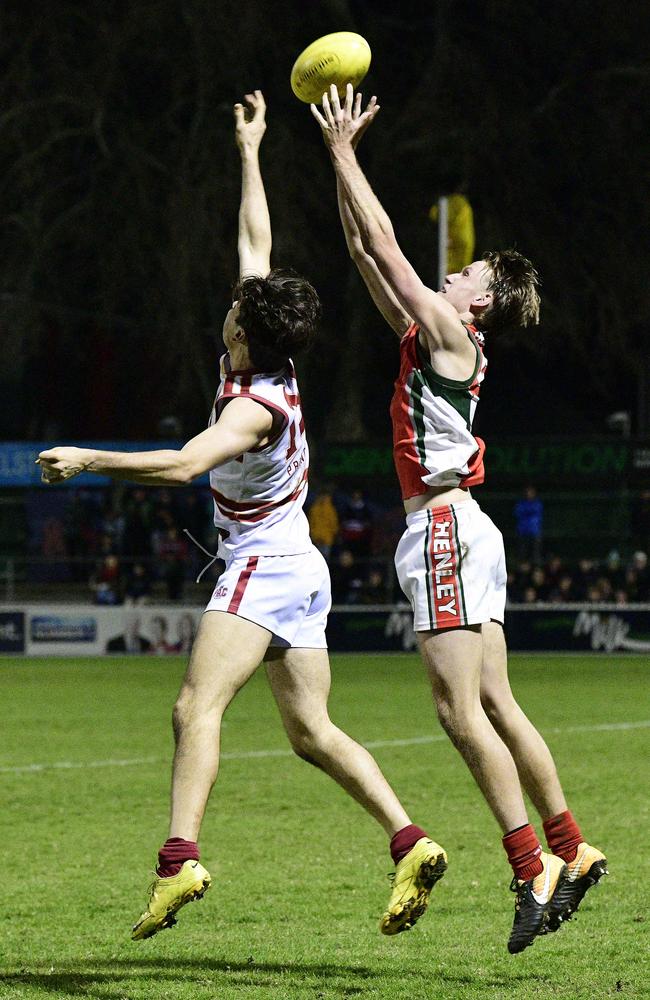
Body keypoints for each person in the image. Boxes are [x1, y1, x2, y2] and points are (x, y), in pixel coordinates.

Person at [38, 91, 446, 942]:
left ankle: (177, 859)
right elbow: (254, 241)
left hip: (263, 562)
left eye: (235, 302)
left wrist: (89, 458)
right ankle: (410, 842)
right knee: (310, 731)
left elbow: (187, 463)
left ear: (241, 328)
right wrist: (250, 149)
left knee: (196, 709)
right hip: (298, 563)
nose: (232, 297)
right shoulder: (267, 354)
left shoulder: (254, 403)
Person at [312, 84, 607, 954]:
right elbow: (368, 251)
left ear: (478, 303)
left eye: (469, 272)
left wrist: (341, 151)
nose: (457, 270)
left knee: (456, 710)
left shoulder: (446, 330)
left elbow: (391, 247)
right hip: (467, 524)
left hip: (442, 526)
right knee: (496, 702)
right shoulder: (435, 336)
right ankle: (570, 845)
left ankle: (530, 867)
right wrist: (339, 169)